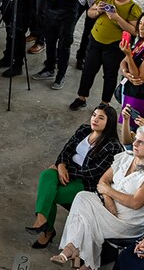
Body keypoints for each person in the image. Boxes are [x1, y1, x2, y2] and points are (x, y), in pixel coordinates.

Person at [53, 126, 144, 270]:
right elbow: (103, 180)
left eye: (141, 142)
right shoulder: (126, 157)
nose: (134, 144)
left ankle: (77, 254)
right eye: (135, 140)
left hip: (127, 222)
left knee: (86, 216)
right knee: (82, 198)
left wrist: (108, 191)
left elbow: (135, 203)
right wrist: (109, 201)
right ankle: (74, 250)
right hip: (107, 208)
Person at [27, 104, 123, 249]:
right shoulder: (84, 129)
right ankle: (42, 220)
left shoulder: (112, 146)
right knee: (47, 175)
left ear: (109, 122)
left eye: (100, 118)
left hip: (85, 182)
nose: (95, 119)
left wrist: (66, 170)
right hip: (67, 170)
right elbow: (67, 149)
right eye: (94, 115)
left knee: (52, 194)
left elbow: (93, 172)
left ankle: (47, 230)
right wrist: (60, 165)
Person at [72, 0, 141, 110]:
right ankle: (82, 97)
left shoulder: (133, 7)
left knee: (109, 74)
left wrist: (117, 18)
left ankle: (105, 102)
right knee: (88, 70)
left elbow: (134, 31)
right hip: (95, 40)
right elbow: (89, 13)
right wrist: (98, 10)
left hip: (114, 46)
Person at [36, 0, 90, 89]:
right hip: (52, 9)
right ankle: (49, 68)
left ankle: (61, 75)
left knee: (64, 45)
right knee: (50, 41)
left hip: (68, 12)